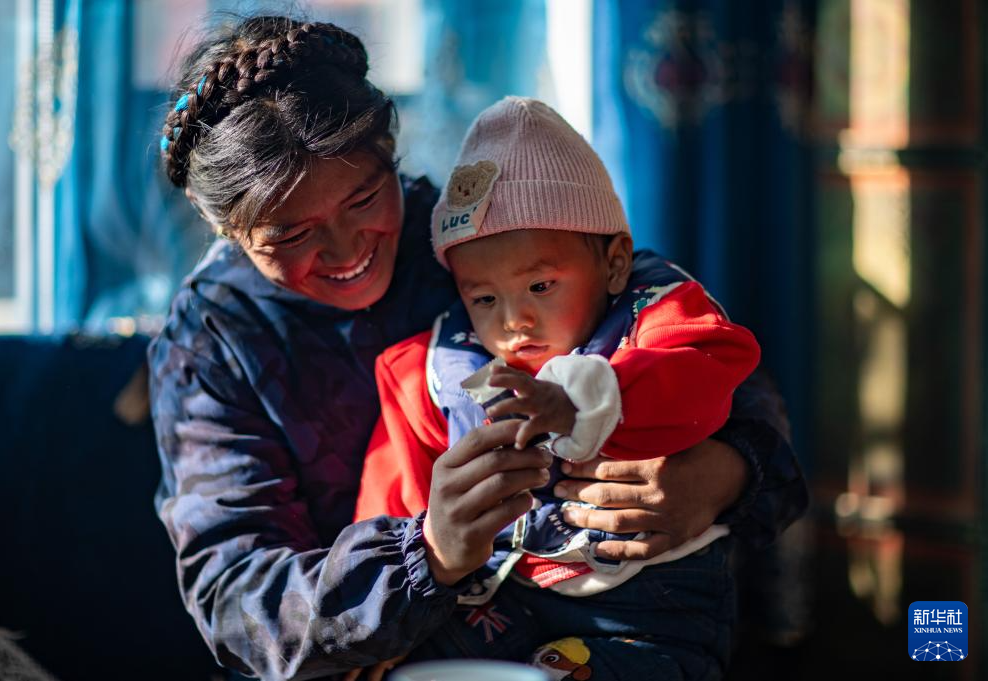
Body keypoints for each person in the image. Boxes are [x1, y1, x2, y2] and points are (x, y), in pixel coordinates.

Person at [148, 14, 808, 681]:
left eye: (365, 198)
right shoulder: (210, 345)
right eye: (291, 235)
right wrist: (426, 555)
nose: (347, 250)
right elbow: (236, 601)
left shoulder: (486, 235)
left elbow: (721, 370)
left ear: (391, 149)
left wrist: (722, 474)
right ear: (225, 229)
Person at [353, 97, 760, 678]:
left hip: (646, 597)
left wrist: (582, 400)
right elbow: (392, 502)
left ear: (614, 265)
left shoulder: (654, 318)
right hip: (498, 595)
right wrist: (389, 620)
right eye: (484, 298)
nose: (513, 321)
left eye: (541, 286)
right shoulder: (434, 373)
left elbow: (706, 373)